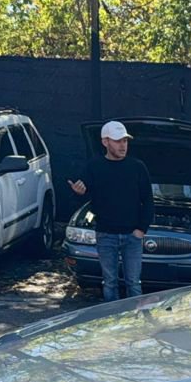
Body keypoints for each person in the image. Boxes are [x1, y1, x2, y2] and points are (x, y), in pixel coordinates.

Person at [69, 120, 153, 301]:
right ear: (105, 142)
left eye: (125, 141)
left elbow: (148, 200)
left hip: (132, 235)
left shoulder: (137, 167)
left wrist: (141, 229)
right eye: (118, 141)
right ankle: (111, 319)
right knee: (110, 282)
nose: (123, 145)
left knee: (133, 282)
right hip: (106, 234)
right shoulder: (94, 166)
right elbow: (84, 196)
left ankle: (135, 319)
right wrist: (78, 192)